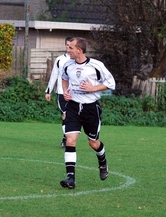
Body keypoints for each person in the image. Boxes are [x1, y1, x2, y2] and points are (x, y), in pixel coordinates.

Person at [60, 37, 115, 189]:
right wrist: (65, 91)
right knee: (70, 140)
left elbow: (111, 83)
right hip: (73, 107)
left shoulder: (96, 65)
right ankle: (70, 178)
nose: (67, 50)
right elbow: (64, 79)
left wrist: (93, 88)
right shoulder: (67, 64)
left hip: (91, 109)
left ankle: (102, 161)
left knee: (93, 143)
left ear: (79, 50)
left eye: (70, 47)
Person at [45, 36, 73, 148]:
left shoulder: (78, 60)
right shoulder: (60, 60)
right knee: (65, 115)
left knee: (72, 117)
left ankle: (66, 138)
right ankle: (67, 139)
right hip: (61, 92)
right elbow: (54, 75)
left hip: (75, 94)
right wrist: (48, 90)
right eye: (67, 45)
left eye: (71, 46)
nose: (68, 48)